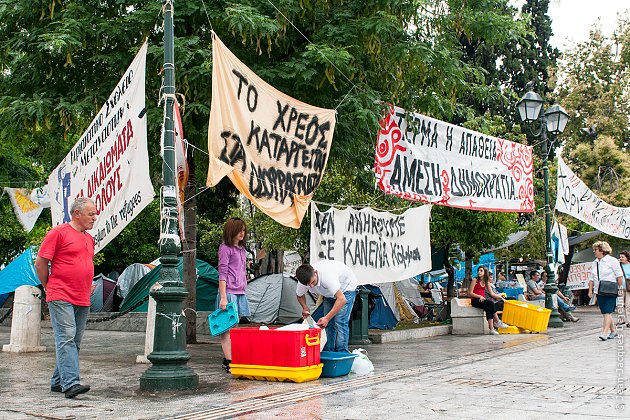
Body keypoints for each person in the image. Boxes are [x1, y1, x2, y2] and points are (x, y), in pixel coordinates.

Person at [34, 197, 96, 399]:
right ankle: (71, 384)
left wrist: (89, 282)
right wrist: (47, 286)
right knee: (67, 338)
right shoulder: (58, 233)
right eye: (91, 214)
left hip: (83, 296)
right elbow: (41, 263)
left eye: (95, 213)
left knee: (74, 341)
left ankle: (58, 381)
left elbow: (83, 263)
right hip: (60, 293)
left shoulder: (88, 238)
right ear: (77, 214)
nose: (94, 217)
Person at [295, 260, 357, 353]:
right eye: (308, 285)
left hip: (346, 289)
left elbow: (342, 299)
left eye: (313, 282)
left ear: (315, 273)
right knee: (327, 324)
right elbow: (299, 295)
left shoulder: (327, 276)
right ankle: (329, 351)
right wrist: (304, 307)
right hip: (329, 294)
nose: (311, 286)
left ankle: (342, 352)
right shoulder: (304, 280)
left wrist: (327, 318)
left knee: (340, 321)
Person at [216, 217, 251, 372]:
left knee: (235, 329)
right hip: (229, 292)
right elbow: (222, 273)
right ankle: (229, 361)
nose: (242, 233)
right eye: (239, 229)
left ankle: (230, 359)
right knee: (227, 328)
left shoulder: (242, 250)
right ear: (232, 230)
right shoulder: (225, 248)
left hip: (240, 291)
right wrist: (223, 297)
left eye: (243, 230)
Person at [589, 241, 624, 341]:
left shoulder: (612, 260)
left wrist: (620, 289)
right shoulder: (595, 262)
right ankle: (613, 331)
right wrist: (590, 290)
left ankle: (604, 332)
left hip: (610, 289)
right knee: (605, 312)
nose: (594, 252)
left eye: (596, 250)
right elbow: (592, 277)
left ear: (602, 250)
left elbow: (619, 275)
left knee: (608, 312)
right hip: (599, 290)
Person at [468, 266, 508, 334]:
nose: (479, 272)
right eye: (478, 271)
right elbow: (470, 293)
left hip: (483, 300)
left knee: (488, 307)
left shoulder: (486, 282)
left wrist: (501, 298)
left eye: (481, 271)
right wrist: (479, 296)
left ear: (485, 272)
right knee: (490, 303)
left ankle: (492, 329)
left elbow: (492, 294)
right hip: (475, 300)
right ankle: (497, 321)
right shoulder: (475, 280)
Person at [619, 250, 630, 327]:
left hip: (629, 288)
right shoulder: (618, 265)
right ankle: (621, 320)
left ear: (627, 258)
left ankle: (628, 321)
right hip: (620, 287)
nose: (621, 258)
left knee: (628, 305)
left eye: (622, 257)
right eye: (620, 257)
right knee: (620, 304)